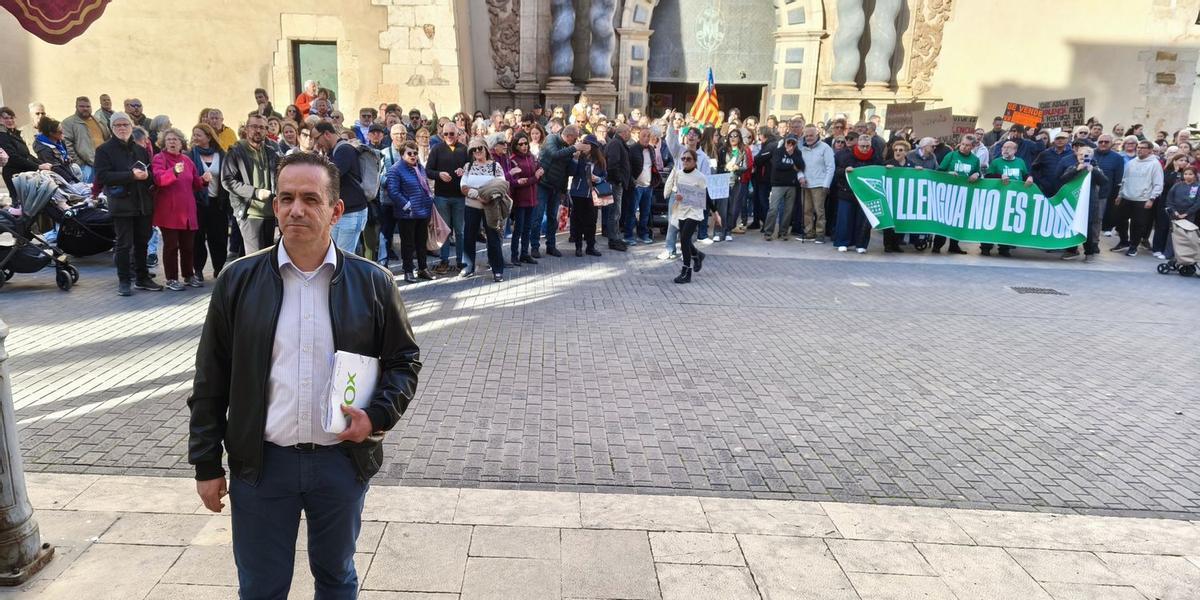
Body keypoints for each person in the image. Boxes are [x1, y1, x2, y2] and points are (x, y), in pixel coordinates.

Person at [189, 150, 421, 600]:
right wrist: (205, 463)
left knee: (336, 578)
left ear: (336, 210)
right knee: (260, 587)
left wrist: (375, 417)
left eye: (310, 199)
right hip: (261, 464)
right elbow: (210, 378)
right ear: (274, 206)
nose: (296, 209)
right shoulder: (237, 280)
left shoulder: (374, 282)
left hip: (340, 462)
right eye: (286, 197)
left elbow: (403, 361)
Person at [96, 112, 161, 296]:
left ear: (132, 127)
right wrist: (131, 176)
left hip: (142, 203)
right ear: (112, 128)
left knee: (142, 242)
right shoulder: (104, 150)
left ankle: (142, 277)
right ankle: (124, 281)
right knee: (124, 244)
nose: (122, 128)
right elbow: (102, 176)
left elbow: (149, 173)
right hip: (122, 204)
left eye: (125, 124)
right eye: (118, 125)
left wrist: (148, 177)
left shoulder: (140, 149)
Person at [150, 128, 206, 291]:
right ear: (163, 143)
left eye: (175, 139)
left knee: (188, 246)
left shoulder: (187, 161)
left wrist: (204, 180)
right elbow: (159, 179)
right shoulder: (159, 158)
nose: (172, 142)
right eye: (168, 140)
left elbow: (195, 184)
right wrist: (173, 171)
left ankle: (189, 275)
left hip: (187, 211)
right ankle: (172, 279)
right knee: (171, 246)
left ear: (182, 142)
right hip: (169, 211)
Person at [222, 113, 279, 254]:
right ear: (246, 129)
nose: (258, 130)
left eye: (262, 127)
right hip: (249, 213)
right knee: (255, 257)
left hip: (270, 213)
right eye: (254, 126)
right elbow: (227, 181)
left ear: (266, 130)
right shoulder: (236, 151)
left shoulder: (271, 153)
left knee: (267, 256)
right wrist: (255, 192)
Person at [312, 121, 372, 254]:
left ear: (327, 134)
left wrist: (316, 155)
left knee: (343, 256)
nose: (316, 143)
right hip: (341, 213)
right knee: (335, 254)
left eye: (317, 138)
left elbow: (329, 177)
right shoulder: (333, 151)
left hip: (352, 213)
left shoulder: (344, 150)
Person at [534, 124, 588, 259]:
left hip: (556, 187)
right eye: (574, 139)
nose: (575, 141)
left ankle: (551, 246)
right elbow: (554, 154)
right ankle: (534, 247)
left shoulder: (568, 148)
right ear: (569, 136)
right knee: (538, 216)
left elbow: (567, 172)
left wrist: (575, 158)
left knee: (553, 218)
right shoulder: (551, 139)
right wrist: (574, 148)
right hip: (543, 184)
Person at [386, 141, 435, 283]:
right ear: (402, 155)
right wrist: (407, 205)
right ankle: (408, 271)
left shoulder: (420, 167)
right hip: (407, 214)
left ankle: (422, 269)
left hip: (423, 211)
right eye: (409, 153)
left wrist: (430, 199)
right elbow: (393, 191)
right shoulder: (395, 169)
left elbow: (425, 185)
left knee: (421, 242)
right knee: (408, 244)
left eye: (415, 153)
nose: (413, 156)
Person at [459, 136, 508, 281]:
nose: (477, 151)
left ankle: (497, 269)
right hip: (472, 207)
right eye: (474, 150)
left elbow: (501, 185)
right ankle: (468, 267)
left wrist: (487, 196)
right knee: (469, 237)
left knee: (493, 238)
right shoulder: (468, 166)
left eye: (480, 148)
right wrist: (479, 195)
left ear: (485, 149)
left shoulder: (495, 166)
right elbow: (463, 187)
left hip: (491, 207)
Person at [425, 123, 470, 272]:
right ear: (442, 134)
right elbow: (428, 171)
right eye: (446, 134)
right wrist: (439, 174)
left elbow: (471, 168)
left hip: (459, 197)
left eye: (452, 134)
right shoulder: (437, 149)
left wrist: (464, 170)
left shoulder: (464, 150)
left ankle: (460, 260)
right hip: (442, 196)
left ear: (457, 134)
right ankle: (443, 260)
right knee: (443, 230)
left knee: (460, 230)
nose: (449, 137)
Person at [664, 149, 710, 283]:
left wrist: (715, 211)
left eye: (688, 159)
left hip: (694, 212)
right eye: (683, 159)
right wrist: (677, 196)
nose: (685, 161)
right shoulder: (678, 174)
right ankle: (697, 254)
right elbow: (678, 191)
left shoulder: (700, 177)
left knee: (684, 238)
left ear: (695, 162)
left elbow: (705, 196)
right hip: (682, 210)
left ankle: (686, 271)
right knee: (684, 238)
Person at [980, 140, 1034, 257]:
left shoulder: (1020, 162)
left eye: (1009, 148)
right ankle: (986, 247)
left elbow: (1024, 174)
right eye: (1004, 147)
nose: (1005, 150)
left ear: (1015, 150)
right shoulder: (996, 162)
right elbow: (988, 176)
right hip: (998, 198)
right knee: (992, 222)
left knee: (1008, 224)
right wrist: (1000, 176)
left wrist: (1029, 177)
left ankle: (1004, 248)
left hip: (1013, 199)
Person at [1058, 142, 1109, 263]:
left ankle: (1089, 252)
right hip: (1073, 201)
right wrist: (1076, 169)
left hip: (1089, 203)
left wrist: (1094, 171)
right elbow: (1063, 179)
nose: (1082, 157)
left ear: (1091, 157)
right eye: (1080, 154)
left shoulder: (1095, 169)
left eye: (1086, 155)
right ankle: (1072, 250)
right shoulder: (1073, 167)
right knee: (1072, 224)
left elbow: (1104, 181)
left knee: (1087, 227)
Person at [190, 123, 229, 281]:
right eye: (194, 134)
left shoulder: (221, 154)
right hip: (197, 203)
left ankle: (219, 268)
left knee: (218, 238)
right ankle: (198, 270)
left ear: (208, 136)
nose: (195, 138)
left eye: (199, 135)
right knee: (198, 238)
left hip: (217, 202)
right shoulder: (190, 155)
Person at [930, 136, 982, 254]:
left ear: (973, 147)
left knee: (958, 220)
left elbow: (977, 171)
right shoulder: (951, 155)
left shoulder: (975, 159)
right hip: (948, 193)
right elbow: (940, 171)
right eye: (963, 144)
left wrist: (977, 175)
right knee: (943, 220)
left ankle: (954, 245)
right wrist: (949, 172)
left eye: (967, 145)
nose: (964, 147)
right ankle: (937, 246)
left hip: (963, 194)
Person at [834, 133, 883, 253]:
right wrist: (845, 171)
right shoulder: (845, 156)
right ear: (858, 144)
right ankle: (842, 242)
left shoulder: (876, 158)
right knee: (845, 219)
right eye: (862, 146)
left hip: (866, 194)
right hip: (847, 193)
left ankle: (861, 244)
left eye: (867, 146)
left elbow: (881, 171)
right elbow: (836, 171)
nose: (865, 148)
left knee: (863, 220)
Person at [1113, 140, 1164, 256]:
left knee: (1137, 225)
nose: (1139, 149)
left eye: (1143, 148)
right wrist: (1120, 195)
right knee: (1120, 221)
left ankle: (1133, 246)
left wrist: (1152, 199)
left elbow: (1158, 183)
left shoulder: (1154, 164)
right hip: (1126, 197)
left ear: (1150, 150)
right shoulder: (1132, 163)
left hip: (1142, 199)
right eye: (1138, 147)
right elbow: (1124, 180)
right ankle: (1124, 241)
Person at [503, 131, 541, 265]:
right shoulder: (513, 160)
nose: (524, 146)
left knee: (527, 228)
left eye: (526, 143)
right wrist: (535, 178)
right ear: (515, 145)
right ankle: (514, 255)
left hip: (532, 199)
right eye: (521, 144)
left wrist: (538, 174)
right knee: (518, 229)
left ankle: (525, 253)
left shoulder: (531, 157)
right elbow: (519, 182)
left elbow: (536, 173)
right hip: (520, 200)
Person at [567, 135, 606, 258]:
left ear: (593, 146)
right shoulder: (579, 157)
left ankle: (590, 246)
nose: (584, 145)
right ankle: (578, 247)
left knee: (592, 221)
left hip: (594, 193)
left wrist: (598, 178)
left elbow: (605, 175)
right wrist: (575, 159)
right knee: (578, 221)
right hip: (579, 192)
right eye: (583, 143)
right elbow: (571, 172)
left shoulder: (599, 160)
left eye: (587, 144)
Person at [0, 106, 51, 195]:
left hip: (25, 172)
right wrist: (38, 166)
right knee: (22, 204)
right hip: (15, 175)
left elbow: (26, 155)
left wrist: (41, 163)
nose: (10, 121)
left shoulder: (15, 134)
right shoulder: (2, 136)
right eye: (6, 118)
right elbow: (13, 157)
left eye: (11, 118)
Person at [798, 125, 835, 243]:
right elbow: (799, 166)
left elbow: (831, 167)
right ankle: (809, 232)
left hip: (820, 184)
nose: (809, 138)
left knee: (819, 211)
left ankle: (820, 234)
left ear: (817, 135)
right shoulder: (802, 149)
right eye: (807, 136)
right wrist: (801, 177)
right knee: (806, 210)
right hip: (805, 184)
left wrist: (826, 184)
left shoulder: (825, 148)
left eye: (811, 135)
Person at [763, 134, 804, 241]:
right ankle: (768, 232)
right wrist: (792, 166)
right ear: (785, 141)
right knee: (773, 209)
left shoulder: (797, 153)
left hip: (792, 185)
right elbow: (777, 165)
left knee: (788, 210)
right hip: (778, 184)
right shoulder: (778, 151)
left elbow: (801, 166)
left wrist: (792, 156)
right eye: (788, 142)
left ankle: (783, 232)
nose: (790, 145)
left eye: (793, 143)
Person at [60, 96, 109, 182]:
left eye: (88, 106)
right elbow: (67, 145)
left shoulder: (99, 121)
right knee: (90, 191)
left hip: (104, 163)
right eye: (82, 106)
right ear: (76, 107)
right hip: (86, 166)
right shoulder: (68, 123)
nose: (85, 109)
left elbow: (108, 139)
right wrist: (79, 164)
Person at [1152, 154, 1192, 259]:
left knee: (1173, 229)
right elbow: (1169, 184)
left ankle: (1169, 251)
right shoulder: (1167, 172)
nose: (1183, 162)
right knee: (1162, 226)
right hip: (1165, 203)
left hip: (1180, 206)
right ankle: (1157, 249)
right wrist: (1175, 170)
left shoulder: (1188, 174)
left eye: (1185, 160)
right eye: (1180, 160)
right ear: (1174, 161)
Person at [603, 124, 632, 250]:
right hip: (614, 183)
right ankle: (613, 240)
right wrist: (619, 179)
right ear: (623, 132)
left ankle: (616, 237)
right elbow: (612, 164)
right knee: (614, 212)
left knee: (616, 212)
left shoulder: (618, 143)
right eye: (628, 132)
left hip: (617, 183)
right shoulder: (616, 144)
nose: (630, 134)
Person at [625, 126, 655, 245]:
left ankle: (643, 234)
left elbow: (652, 166)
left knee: (645, 212)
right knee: (632, 212)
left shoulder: (651, 149)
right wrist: (633, 182)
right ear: (638, 136)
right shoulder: (632, 149)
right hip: (636, 186)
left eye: (648, 136)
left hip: (648, 186)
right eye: (644, 135)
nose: (646, 138)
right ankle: (628, 235)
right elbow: (628, 168)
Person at [1093, 134, 1126, 237]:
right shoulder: (1090, 154)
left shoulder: (1117, 158)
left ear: (1111, 144)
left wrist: (1116, 193)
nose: (1103, 144)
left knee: (1098, 217)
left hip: (1106, 191)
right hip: (1088, 189)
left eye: (1106, 142)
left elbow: (1118, 178)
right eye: (1101, 142)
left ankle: (1100, 234)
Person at [33, 117, 78, 182]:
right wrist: (71, 181)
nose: (63, 134)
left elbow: (64, 156)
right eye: (60, 132)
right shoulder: (43, 148)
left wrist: (67, 158)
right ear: (51, 133)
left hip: (68, 170)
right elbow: (55, 167)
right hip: (58, 178)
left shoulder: (60, 141)